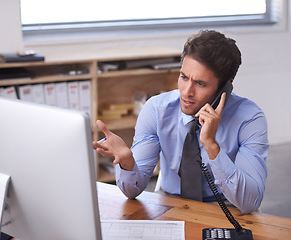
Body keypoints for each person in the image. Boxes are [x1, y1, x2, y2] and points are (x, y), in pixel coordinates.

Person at [93, 30, 269, 214]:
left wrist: (211, 145)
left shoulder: (250, 119)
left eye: (200, 83)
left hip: (228, 208)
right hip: (170, 205)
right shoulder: (156, 109)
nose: (187, 92)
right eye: (184, 77)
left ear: (226, 85)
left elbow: (249, 202)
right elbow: (132, 190)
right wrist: (127, 163)